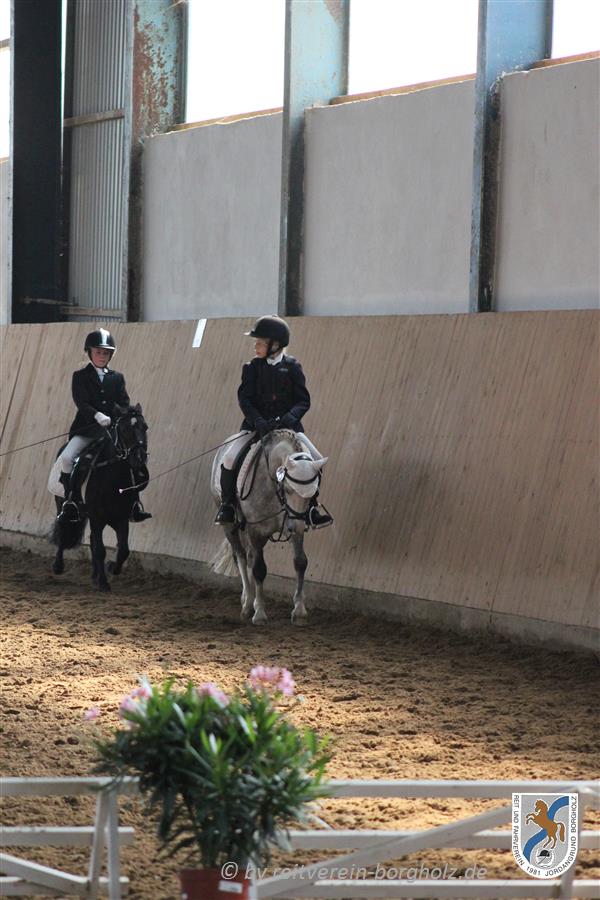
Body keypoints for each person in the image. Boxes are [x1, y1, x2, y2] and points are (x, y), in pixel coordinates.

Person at [215, 315, 333, 528]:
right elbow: (245, 399)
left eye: (260, 343)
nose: (255, 347)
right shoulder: (251, 368)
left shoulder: (293, 367)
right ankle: (228, 505)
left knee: (315, 460)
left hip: (289, 429)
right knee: (230, 458)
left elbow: (303, 400)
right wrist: (258, 421)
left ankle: (312, 507)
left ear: (275, 345)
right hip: (255, 427)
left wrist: (289, 418)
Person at [56, 329, 151, 524]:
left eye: (105, 353)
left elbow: (124, 402)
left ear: (110, 355)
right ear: (89, 352)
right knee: (66, 458)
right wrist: (96, 415)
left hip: (111, 432)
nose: (102, 356)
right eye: (98, 352)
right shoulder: (80, 376)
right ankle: (71, 501)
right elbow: (81, 401)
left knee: (131, 458)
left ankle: (134, 503)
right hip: (86, 431)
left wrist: (119, 415)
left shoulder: (117, 378)